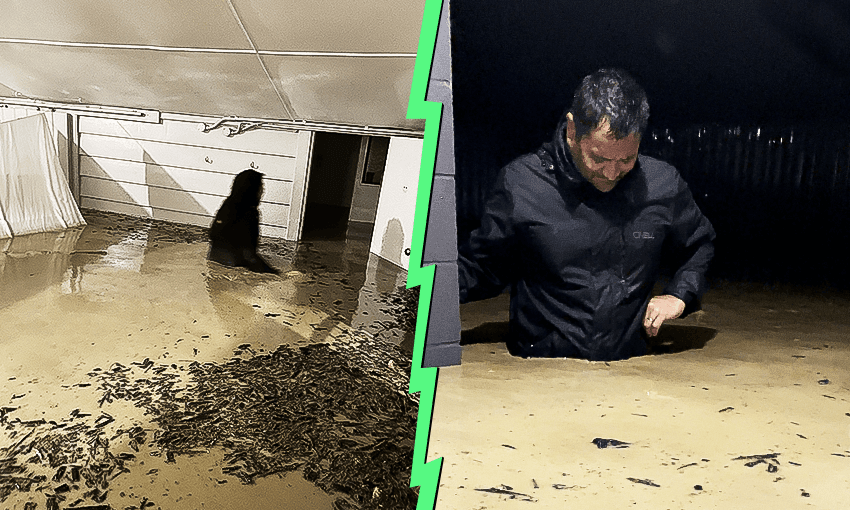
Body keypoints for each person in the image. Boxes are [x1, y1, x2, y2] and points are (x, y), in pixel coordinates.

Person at [458, 68, 716, 361]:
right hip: (536, 368)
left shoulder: (662, 185)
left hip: (630, 367)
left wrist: (680, 296)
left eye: (626, 159)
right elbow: (482, 268)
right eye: (599, 158)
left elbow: (700, 246)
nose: (611, 173)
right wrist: (419, 298)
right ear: (572, 130)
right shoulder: (522, 184)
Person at [208, 169, 279, 274]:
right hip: (236, 271)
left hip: (214, 264)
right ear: (253, 189)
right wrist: (274, 273)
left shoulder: (227, 205)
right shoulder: (250, 214)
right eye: (261, 187)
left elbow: (212, 234)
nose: (263, 191)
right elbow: (248, 255)